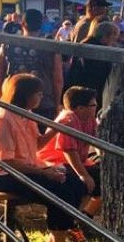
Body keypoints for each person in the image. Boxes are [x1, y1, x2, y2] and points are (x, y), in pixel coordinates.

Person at [0, 74, 87, 242]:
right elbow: (6, 161)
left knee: (74, 182)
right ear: (25, 95)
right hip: (0, 173)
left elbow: (38, 145)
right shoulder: (4, 117)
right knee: (58, 189)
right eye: (38, 94)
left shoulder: (27, 114)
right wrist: (44, 172)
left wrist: (57, 125)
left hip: (25, 167)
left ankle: (55, 238)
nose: (41, 97)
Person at [39, 86, 102, 216]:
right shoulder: (69, 119)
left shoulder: (89, 118)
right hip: (57, 161)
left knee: (102, 177)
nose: (96, 106)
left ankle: (84, 217)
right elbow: (69, 151)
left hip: (80, 159)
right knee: (81, 184)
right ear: (80, 108)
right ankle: (73, 219)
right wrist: (83, 174)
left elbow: (95, 139)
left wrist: (102, 154)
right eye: (93, 105)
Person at [0, 8, 62, 121]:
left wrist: (1, 99)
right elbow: (58, 79)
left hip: (12, 100)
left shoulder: (8, 44)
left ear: (23, 24)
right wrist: (56, 103)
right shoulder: (52, 47)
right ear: (41, 24)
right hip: (43, 103)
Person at [65, 20, 120, 107]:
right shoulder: (99, 52)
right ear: (105, 37)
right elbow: (99, 76)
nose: (114, 42)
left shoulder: (84, 45)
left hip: (78, 90)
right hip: (89, 94)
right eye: (114, 38)